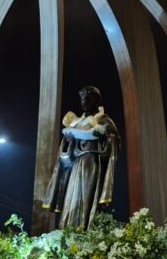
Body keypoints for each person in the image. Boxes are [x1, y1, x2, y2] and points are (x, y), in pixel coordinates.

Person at [43, 85, 121, 229]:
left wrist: (103, 135)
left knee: (86, 198)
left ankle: (85, 230)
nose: (84, 102)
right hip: (76, 164)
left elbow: (114, 139)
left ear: (95, 101)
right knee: (71, 198)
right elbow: (67, 147)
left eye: (88, 99)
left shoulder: (103, 119)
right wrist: (68, 141)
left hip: (91, 162)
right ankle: (68, 230)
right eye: (82, 99)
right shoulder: (77, 122)